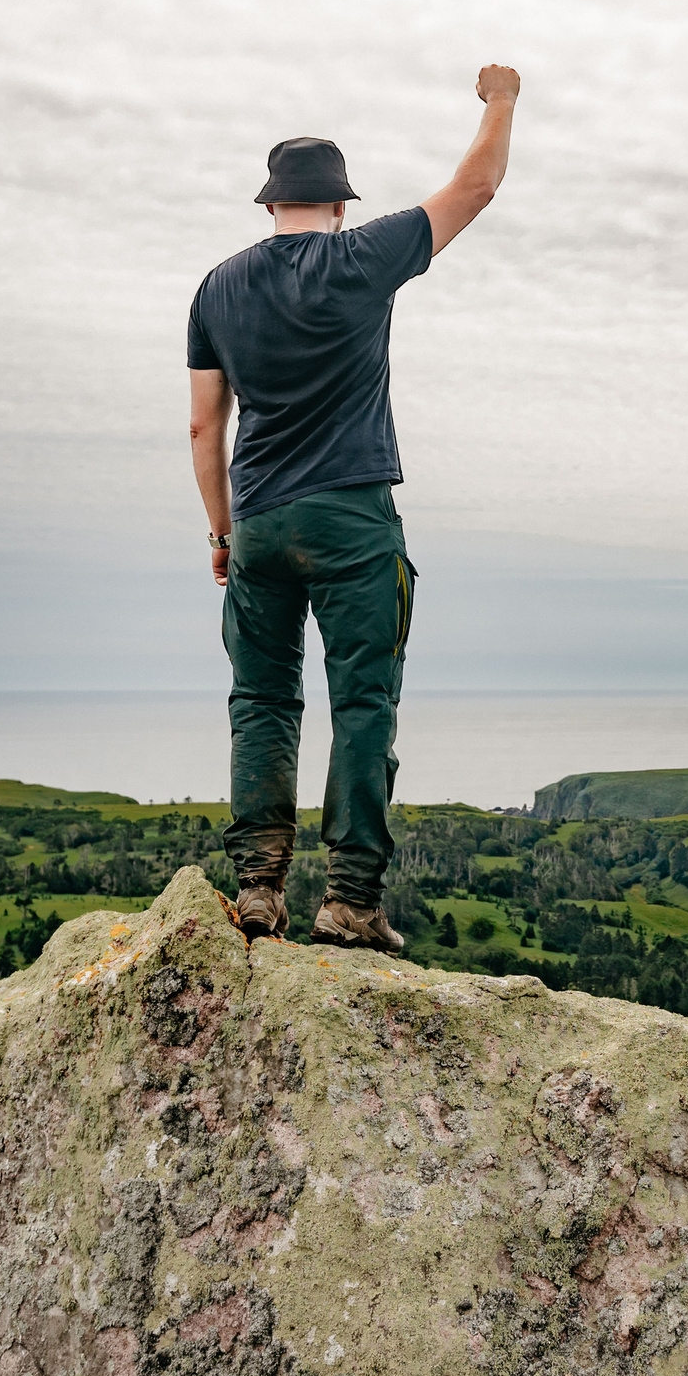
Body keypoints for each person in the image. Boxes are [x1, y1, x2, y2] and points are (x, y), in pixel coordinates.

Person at [186, 65, 520, 949]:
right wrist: (501, 100)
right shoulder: (362, 257)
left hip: (258, 522)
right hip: (351, 517)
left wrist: (222, 532)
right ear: (338, 205)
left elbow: (204, 425)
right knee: (363, 702)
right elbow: (477, 187)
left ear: (270, 205)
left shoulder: (215, 289)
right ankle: (350, 901)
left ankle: (259, 890)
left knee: (261, 700)